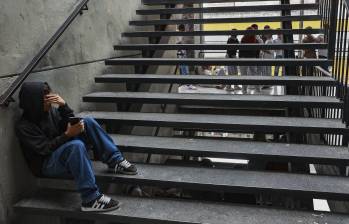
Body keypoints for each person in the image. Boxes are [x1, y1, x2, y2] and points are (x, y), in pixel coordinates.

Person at [16, 82, 137, 212]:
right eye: (46, 100)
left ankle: (115, 160)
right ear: (33, 102)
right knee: (76, 146)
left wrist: (64, 106)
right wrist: (68, 135)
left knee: (87, 121)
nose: (50, 102)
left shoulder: (50, 112)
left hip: (60, 150)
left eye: (50, 97)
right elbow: (44, 149)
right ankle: (90, 199)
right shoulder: (24, 127)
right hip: (46, 164)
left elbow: (67, 123)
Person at [240, 27, 259, 93]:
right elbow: (257, 51)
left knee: (244, 75)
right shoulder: (255, 40)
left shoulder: (243, 39)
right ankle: (257, 89)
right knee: (254, 74)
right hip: (252, 58)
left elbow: (241, 50)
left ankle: (244, 89)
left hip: (244, 58)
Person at [177, 24, 196, 90]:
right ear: (182, 29)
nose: (184, 30)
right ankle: (188, 84)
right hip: (181, 54)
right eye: (184, 29)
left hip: (182, 53)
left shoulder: (180, 35)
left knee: (184, 69)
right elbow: (178, 44)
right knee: (185, 69)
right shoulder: (179, 36)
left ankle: (186, 83)